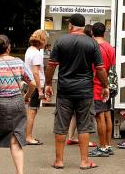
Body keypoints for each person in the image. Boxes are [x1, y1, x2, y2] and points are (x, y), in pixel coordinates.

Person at [45, 13, 109, 170]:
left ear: (70, 25)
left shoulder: (61, 41)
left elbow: (51, 65)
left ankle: (59, 161)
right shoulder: (92, 43)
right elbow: (100, 69)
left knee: (61, 126)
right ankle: (84, 161)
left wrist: (47, 84)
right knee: (84, 126)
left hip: (65, 90)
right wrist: (105, 86)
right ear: (83, 25)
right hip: (85, 91)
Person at [0, 35, 36, 174]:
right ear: (9, 47)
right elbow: (32, 83)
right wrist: (27, 96)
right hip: (17, 103)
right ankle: (20, 172)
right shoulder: (19, 63)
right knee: (15, 140)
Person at [66, 24, 97, 148]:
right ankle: (84, 140)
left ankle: (71, 137)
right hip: (85, 86)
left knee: (74, 113)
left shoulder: (71, 45)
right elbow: (96, 67)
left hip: (70, 84)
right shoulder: (91, 46)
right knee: (85, 114)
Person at [88, 22, 116, 157]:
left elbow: (94, 69)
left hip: (96, 85)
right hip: (106, 85)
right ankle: (108, 145)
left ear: (92, 32)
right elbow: (110, 67)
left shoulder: (94, 47)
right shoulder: (110, 48)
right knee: (107, 115)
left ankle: (103, 147)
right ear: (104, 32)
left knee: (99, 117)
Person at [24, 29, 47, 146]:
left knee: (30, 111)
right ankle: (28, 137)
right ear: (41, 40)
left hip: (29, 83)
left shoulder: (29, 50)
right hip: (36, 85)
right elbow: (36, 73)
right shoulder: (37, 54)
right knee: (32, 112)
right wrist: (39, 90)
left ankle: (27, 135)